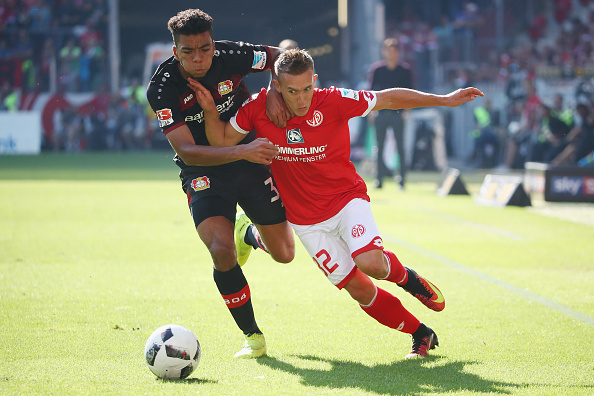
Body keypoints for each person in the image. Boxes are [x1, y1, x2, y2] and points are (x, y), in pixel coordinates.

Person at [190, 49, 484, 358]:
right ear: (277, 87)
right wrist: (211, 112)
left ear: (314, 81)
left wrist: (444, 99)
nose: (302, 99)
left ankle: (406, 278)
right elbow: (221, 141)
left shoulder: (333, 100)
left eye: (307, 89)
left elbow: (386, 98)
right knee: (359, 289)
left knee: (370, 263)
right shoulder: (257, 109)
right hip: (307, 223)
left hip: (346, 201)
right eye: (292, 91)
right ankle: (421, 334)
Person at [146, 8, 295, 359]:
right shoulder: (163, 88)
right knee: (221, 251)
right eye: (188, 51)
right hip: (205, 171)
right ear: (175, 51)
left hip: (250, 158)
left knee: (284, 254)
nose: (199, 58)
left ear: (213, 43)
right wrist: (240, 152)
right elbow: (188, 151)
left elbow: (284, 57)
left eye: (205, 48)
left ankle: (247, 233)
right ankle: (253, 335)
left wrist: (274, 89)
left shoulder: (232, 54)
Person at [367, 38, 413, 190]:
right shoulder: (377, 70)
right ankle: (379, 179)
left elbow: (410, 94)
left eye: (393, 50)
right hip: (381, 113)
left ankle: (402, 180)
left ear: (398, 53)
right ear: (383, 52)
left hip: (398, 114)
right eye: (387, 50)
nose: (390, 53)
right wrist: (371, 112)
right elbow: (371, 92)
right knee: (379, 147)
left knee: (400, 146)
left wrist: (407, 112)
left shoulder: (405, 70)